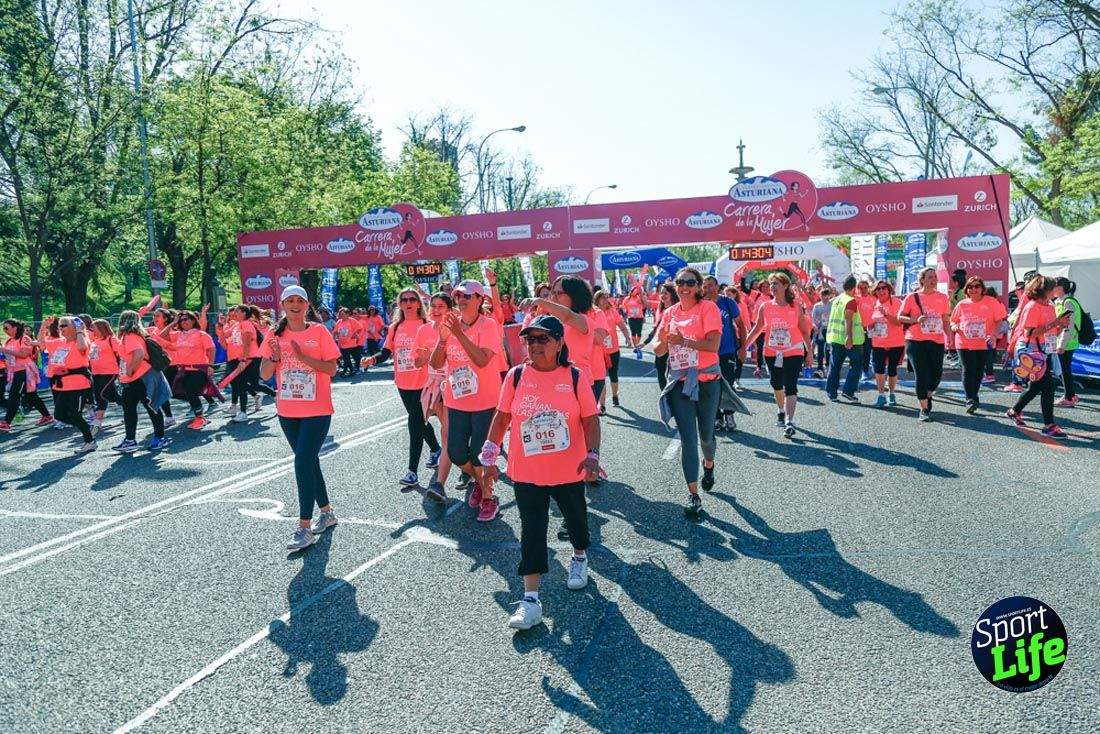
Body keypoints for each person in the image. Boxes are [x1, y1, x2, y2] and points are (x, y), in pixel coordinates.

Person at [478, 314, 601, 630]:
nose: (534, 346)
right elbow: (502, 416)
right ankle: (530, 600)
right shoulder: (516, 377)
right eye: (529, 340)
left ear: (560, 342)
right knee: (532, 531)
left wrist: (592, 455)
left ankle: (579, 558)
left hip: (568, 470)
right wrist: (489, 455)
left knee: (575, 521)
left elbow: (590, 419)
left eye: (542, 339)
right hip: (527, 471)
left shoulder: (574, 377)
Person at [258, 286, 342, 550]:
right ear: (282, 304)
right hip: (288, 411)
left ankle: (304, 527)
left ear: (307, 305)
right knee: (308, 462)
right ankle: (327, 513)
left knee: (302, 461)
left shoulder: (318, 332)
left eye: (300, 301)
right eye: (290, 300)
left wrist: (304, 358)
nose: (295, 305)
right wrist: (274, 356)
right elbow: (264, 374)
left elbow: (332, 369)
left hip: (317, 410)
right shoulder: (275, 334)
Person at [429, 279, 504, 522]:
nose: (461, 300)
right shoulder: (449, 325)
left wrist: (459, 334)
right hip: (457, 400)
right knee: (457, 453)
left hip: (485, 400)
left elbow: (482, 361)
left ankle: (488, 497)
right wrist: (442, 339)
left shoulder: (488, 325)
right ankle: (482, 484)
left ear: (480, 300)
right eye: (458, 296)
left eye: (467, 296)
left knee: (480, 455)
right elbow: (436, 363)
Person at [655, 267, 725, 517]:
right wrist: (663, 340)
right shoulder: (670, 313)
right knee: (688, 440)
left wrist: (684, 341)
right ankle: (693, 494)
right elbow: (659, 350)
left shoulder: (708, 309)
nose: (684, 287)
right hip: (679, 382)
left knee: (706, 435)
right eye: (680, 282)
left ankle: (709, 464)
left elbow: (713, 345)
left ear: (698, 286)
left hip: (706, 380)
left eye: (690, 282)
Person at [363, 288, 443, 488]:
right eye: (404, 299)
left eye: (412, 299)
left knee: (414, 424)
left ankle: (412, 472)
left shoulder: (427, 325)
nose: (408, 302)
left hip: (425, 381)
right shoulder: (395, 327)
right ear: (400, 304)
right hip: (403, 382)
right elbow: (386, 352)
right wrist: (373, 359)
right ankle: (435, 449)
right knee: (419, 421)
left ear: (418, 303)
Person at [743, 273, 810, 438]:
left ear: (786, 286)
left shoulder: (795, 306)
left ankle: (790, 421)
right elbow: (757, 328)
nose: (772, 287)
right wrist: (744, 346)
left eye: (776, 284)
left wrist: (809, 351)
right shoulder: (765, 307)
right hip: (772, 352)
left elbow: (803, 329)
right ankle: (781, 410)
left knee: (791, 385)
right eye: (771, 284)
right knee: (776, 384)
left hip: (793, 350)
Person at [1006, 276, 1071, 438]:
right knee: (1048, 386)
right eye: (1053, 287)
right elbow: (1030, 332)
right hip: (1031, 352)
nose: (1056, 290)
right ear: (1045, 290)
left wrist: (1061, 325)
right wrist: (1056, 322)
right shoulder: (1032, 306)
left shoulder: (1050, 306)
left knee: (1035, 387)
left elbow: (1051, 332)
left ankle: (1014, 411)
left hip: (1044, 351)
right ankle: (1049, 424)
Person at [898, 268, 952, 421]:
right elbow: (900, 317)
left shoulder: (942, 297)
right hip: (915, 340)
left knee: (936, 376)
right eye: (929, 277)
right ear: (922, 280)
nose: (933, 280)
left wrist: (950, 337)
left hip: (936, 340)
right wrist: (915, 320)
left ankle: (927, 396)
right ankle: (923, 409)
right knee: (921, 374)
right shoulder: (912, 297)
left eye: (935, 277)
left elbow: (945, 319)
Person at [112, 310, 169, 452]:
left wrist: (130, 370)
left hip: (140, 377)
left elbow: (139, 353)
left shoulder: (130, 336)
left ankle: (159, 437)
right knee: (131, 409)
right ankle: (131, 440)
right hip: (137, 378)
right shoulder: (136, 335)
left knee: (149, 407)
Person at [39, 316, 96, 454]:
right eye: (60, 325)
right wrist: (44, 325)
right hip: (63, 385)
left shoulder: (81, 340)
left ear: (73, 327)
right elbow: (41, 344)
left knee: (75, 415)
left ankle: (90, 441)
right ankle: (87, 428)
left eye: (64, 325)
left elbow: (82, 347)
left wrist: (80, 330)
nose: (61, 328)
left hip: (79, 384)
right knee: (59, 415)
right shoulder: (59, 342)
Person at [950, 276, 1004, 414]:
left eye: (976, 286)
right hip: (964, 341)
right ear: (966, 289)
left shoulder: (991, 302)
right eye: (970, 287)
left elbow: (1000, 320)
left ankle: (974, 395)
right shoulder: (962, 304)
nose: (973, 289)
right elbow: (952, 321)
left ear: (982, 288)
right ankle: (970, 399)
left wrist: (993, 335)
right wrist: (955, 326)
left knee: (979, 370)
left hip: (983, 342)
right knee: (968, 369)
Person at [154, 311, 217, 429]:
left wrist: (211, 365)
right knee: (181, 392)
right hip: (184, 369)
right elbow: (161, 336)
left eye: (187, 319)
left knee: (191, 391)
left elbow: (211, 349)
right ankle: (200, 414)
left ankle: (200, 418)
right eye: (182, 320)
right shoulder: (178, 334)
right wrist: (173, 322)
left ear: (193, 320)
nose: (184, 322)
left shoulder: (201, 334)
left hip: (199, 368)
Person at [704, 276, 745, 430]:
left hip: (727, 351)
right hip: (707, 352)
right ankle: (717, 417)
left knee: (727, 384)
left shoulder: (728, 302)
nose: (707, 289)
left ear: (717, 287)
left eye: (710, 286)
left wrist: (742, 347)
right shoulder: (701, 304)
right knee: (709, 386)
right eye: (705, 286)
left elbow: (741, 325)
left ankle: (729, 414)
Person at [0, 319, 53, 431]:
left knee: (14, 395)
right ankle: (47, 416)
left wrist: (5, 350)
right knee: (31, 395)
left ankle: (6, 422)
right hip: (15, 371)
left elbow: (24, 354)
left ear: (15, 328)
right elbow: (9, 357)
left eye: (6, 328)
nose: (5, 330)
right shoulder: (9, 341)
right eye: (3, 328)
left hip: (25, 371)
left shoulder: (24, 338)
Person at [824, 275, 865, 402]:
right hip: (850, 340)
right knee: (857, 365)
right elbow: (848, 319)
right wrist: (849, 337)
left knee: (835, 366)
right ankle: (848, 391)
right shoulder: (850, 300)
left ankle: (831, 393)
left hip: (835, 338)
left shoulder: (837, 299)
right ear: (854, 288)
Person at [867, 280, 905, 408]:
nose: (881, 291)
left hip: (896, 342)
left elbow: (899, 323)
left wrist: (886, 314)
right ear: (875, 292)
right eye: (878, 289)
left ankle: (892, 393)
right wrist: (870, 326)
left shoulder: (897, 302)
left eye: (883, 288)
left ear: (889, 290)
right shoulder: (874, 304)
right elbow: (869, 324)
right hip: (878, 342)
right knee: (879, 370)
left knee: (892, 370)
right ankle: (881, 395)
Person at [216, 305, 258, 422]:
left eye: (237, 311)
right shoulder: (237, 325)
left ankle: (244, 411)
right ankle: (242, 411)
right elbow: (224, 335)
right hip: (240, 359)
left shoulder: (246, 324)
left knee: (248, 385)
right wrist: (221, 324)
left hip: (248, 359)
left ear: (244, 313)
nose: (234, 313)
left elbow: (247, 343)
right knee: (241, 385)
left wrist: (243, 360)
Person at [595, 290, 630, 410]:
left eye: (607, 298)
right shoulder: (593, 313)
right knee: (601, 377)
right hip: (599, 351)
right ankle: (602, 404)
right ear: (597, 300)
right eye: (602, 298)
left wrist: (627, 337)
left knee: (613, 375)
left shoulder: (612, 312)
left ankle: (615, 395)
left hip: (613, 350)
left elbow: (621, 325)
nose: (606, 300)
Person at [639, 284, 679, 390]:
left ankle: (674, 396)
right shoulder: (659, 308)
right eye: (661, 293)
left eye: (666, 293)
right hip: (662, 344)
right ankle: (664, 395)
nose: (663, 295)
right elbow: (656, 328)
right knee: (660, 370)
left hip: (675, 345)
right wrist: (645, 342)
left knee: (675, 372)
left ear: (672, 294)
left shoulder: (678, 307)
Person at [1053, 278, 1083, 408]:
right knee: (1065, 369)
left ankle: (1069, 397)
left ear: (1060, 288)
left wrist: (1061, 345)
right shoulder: (1061, 302)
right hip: (1066, 341)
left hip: (1066, 342)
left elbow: (1069, 326)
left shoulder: (1068, 302)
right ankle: (1071, 395)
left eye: (1054, 287)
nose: (1052, 289)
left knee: (1065, 370)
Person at [88, 319, 122, 432]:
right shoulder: (94, 341)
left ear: (102, 328)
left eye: (95, 328)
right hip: (96, 372)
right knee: (111, 395)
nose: (93, 330)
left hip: (110, 372)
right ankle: (127, 406)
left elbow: (121, 354)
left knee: (102, 394)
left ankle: (98, 421)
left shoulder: (111, 339)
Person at [333, 308, 363, 377]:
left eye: (343, 314)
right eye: (340, 314)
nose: (341, 315)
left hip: (351, 344)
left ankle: (357, 368)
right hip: (343, 344)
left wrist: (355, 334)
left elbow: (360, 328)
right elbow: (335, 331)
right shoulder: (339, 322)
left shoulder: (351, 320)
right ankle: (350, 370)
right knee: (346, 359)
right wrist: (334, 338)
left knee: (356, 358)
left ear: (347, 314)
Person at [811, 286, 833, 378]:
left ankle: (828, 367)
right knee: (820, 350)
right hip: (820, 330)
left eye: (827, 295)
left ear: (829, 296)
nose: (825, 297)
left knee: (828, 349)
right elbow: (813, 319)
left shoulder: (832, 304)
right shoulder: (817, 306)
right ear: (820, 296)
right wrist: (815, 326)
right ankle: (820, 368)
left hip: (830, 330)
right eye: (823, 295)